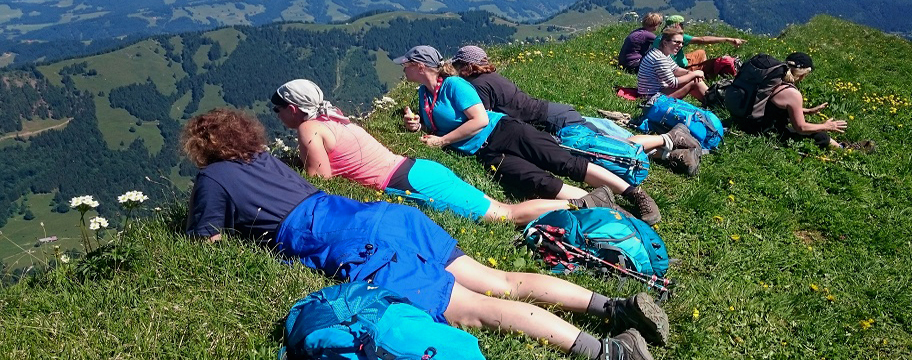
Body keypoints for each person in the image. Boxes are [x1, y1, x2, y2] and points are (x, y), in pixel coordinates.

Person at [182, 108, 669, 360]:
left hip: (357, 244)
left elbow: (208, 245)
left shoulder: (212, 178)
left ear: (201, 149)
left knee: (475, 309)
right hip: (383, 217)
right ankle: (617, 309)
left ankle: (609, 352)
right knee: (499, 279)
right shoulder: (259, 157)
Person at [271, 78, 611, 226]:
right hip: (416, 168)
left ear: (294, 108)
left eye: (278, 108)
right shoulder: (333, 117)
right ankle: (585, 202)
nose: (277, 115)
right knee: (501, 210)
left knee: (503, 215)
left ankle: (582, 205)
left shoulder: (308, 128)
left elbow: (321, 179)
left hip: (409, 181)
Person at [396, 45, 662, 225]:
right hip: (485, 152)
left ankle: (633, 193)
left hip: (506, 131)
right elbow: (436, 126)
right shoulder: (423, 94)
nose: (403, 69)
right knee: (539, 183)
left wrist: (442, 141)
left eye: (406, 65)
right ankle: (607, 209)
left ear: (421, 66)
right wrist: (417, 125)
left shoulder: (454, 84)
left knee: (563, 162)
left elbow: (480, 119)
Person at [451, 43, 704, 186]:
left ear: (464, 66)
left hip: (554, 123)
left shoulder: (477, 85)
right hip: (556, 113)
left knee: (609, 148)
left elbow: (485, 121)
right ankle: (674, 153)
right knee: (607, 147)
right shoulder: (491, 76)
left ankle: (667, 138)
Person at [736, 52, 851, 149]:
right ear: (803, 74)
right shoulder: (792, 93)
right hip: (766, 133)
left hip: (747, 122)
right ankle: (843, 149)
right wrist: (827, 126)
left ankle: (841, 147)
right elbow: (801, 128)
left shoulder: (773, 79)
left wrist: (807, 111)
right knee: (820, 135)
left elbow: (775, 105)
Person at [654, 15, 746, 79]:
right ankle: (703, 74)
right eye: (681, 24)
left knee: (700, 52)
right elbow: (702, 40)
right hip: (678, 70)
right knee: (715, 63)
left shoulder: (661, 37)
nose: (683, 27)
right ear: (677, 25)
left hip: (669, 68)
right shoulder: (676, 36)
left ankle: (703, 73)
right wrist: (727, 39)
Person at [638, 27, 710, 104]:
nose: (680, 45)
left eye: (682, 43)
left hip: (654, 92)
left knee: (694, 78)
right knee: (694, 81)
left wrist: (690, 73)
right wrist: (694, 74)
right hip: (652, 97)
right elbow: (673, 82)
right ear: (665, 43)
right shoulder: (659, 58)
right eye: (677, 42)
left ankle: (711, 100)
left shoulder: (662, 53)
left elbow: (675, 69)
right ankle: (714, 101)